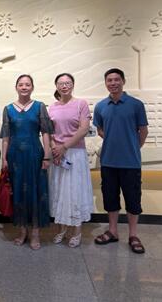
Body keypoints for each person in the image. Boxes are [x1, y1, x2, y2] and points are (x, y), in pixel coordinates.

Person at [93, 68, 148, 254]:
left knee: (133, 199)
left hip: (130, 162)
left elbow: (143, 131)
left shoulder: (136, 105)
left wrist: (132, 146)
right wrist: (113, 141)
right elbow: (100, 129)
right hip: (108, 161)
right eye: (109, 80)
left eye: (117, 79)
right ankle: (113, 231)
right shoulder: (101, 106)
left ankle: (133, 235)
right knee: (110, 198)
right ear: (106, 83)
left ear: (123, 81)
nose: (113, 83)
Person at [0, 74, 52, 250]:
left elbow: (46, 132)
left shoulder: (39, 106)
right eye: (21, 84)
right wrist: (4, 158)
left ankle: (35, 232)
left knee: (36, 191)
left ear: (32, 87)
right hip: (15, 156)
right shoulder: (8, 109)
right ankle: (22, 231)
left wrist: (47, 155)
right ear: (16, 87)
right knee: (18, 192)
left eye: (27, 84)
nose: (24, 87)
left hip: (35, 154)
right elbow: (5, 137)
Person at [48, 73, 94, 248]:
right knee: (59, 191)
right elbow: (49, 131)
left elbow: (83, 129)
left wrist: (64, 147)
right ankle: (61, 229)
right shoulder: (52, 107)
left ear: (73, 85)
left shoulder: (81, 104)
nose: (64, 86)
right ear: (56, 86)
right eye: (61, 83)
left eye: (68, 83)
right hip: (57, 154)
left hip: (75, 153)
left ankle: (76, 231)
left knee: (75, 191)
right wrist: (55, 147)